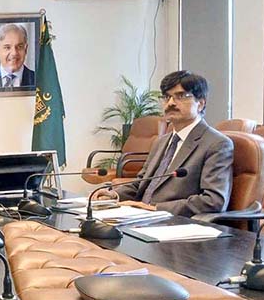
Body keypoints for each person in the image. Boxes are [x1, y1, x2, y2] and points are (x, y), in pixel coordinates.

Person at [94, 71, 234, 217]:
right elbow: (142, 183)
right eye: (167, 97)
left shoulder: (217, 144)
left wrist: (155, 208)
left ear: (200, 103)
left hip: (174, 223)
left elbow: (213, 201)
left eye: (181, 96)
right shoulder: (161, 142)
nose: (171, 103)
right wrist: (113, 195)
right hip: (141, 218)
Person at [0, 23, 36, 93]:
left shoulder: (38, 80)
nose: (14, 53)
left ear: (26, 49)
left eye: (19, 47)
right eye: (7, 47)